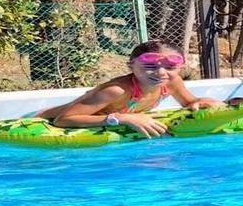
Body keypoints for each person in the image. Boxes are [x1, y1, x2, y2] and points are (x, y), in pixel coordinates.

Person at [36, 41, 223, 138]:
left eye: (170, 68)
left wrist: (200, 102)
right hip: (42, 121)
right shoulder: (117, 90)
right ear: (131, 67)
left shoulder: (170, 82)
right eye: (149, 67)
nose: (160, 73)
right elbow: (64, 120)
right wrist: (122, 118)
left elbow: (189, 103)